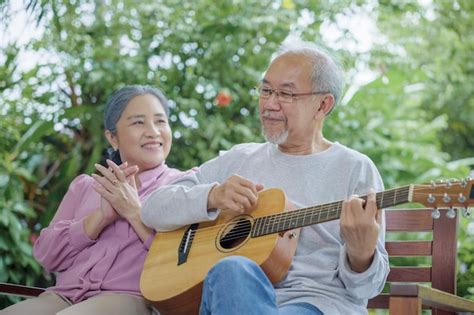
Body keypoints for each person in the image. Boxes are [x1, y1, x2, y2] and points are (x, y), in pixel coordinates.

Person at [141, 38, 390, 315]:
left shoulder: (354, 168)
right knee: (231, 269)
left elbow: (366, 290)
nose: (269, 104)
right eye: (266, 90)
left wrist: (361, 253)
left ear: (323, 105)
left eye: (286, 94)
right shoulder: (240, 158)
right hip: (231, 299)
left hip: (316, 304)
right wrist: (212, 196)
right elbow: (153, 209)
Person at [2, 85, 194, 315]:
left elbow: (185, 259)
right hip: (65, 295)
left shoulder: (185, 185)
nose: (153, 131)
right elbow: (47, 255)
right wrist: (99, 218)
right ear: (112, 138)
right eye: (138, 122)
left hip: (132, 299)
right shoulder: (86, 186)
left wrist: (134, 212)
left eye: (161, 121)